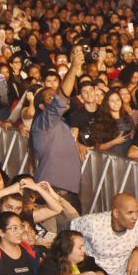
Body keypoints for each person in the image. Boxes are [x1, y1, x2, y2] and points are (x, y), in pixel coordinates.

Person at [30, 47, 83, 211]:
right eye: (50, 98)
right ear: (41, 105)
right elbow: (61, 98)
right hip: (54, 191)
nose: (54, 99)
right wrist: (73, 68)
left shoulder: (58, 123)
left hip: (67, 191)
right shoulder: (43, 122)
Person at [70, 193, 138, 275]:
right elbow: (69, 234)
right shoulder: (93, 224)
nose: (135, 217)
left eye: (137, 211)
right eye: (130, 213)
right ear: (116, 213)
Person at [36, 229, 108, 275]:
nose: (84, 250)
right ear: (67, 249)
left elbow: (103, 274)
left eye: (83, 246)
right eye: (80, 247)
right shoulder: (50, 264)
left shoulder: (86, 260)